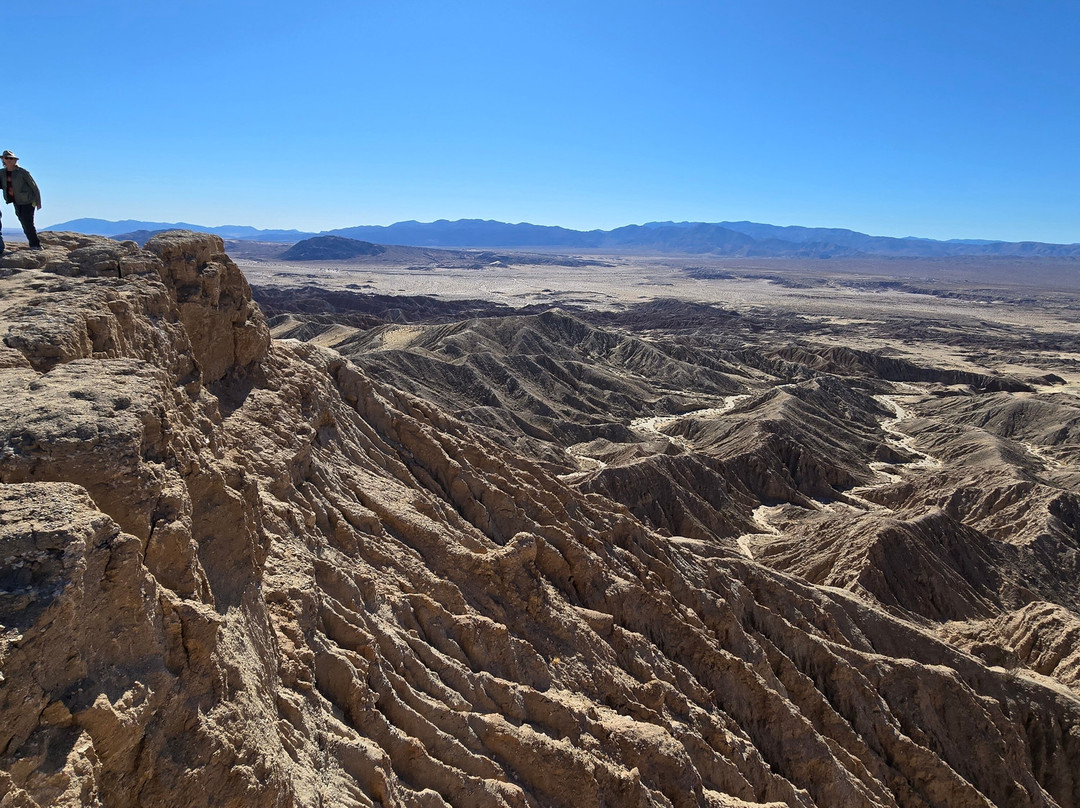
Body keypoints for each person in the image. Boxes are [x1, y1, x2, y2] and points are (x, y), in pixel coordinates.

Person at [1, 150, 42, 252]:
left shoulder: (22, 172)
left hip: (28, 200)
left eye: (11, 158)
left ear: (15, 160)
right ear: (3, 160)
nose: (9, 160)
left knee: (27, 222)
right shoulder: (1, 173)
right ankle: (33, 244)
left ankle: (35, 245)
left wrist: (38, 202)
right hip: (16, 201)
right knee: (23, 221)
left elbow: (34, 187)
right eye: (7, 158)